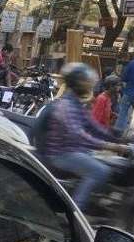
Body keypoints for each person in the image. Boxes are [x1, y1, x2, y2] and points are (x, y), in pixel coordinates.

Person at [41, 63, 128, 210]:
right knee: (100, 170)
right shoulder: (66, 106)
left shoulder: (76, 104)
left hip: (76, 150)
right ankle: (76, 211)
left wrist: (118, 138)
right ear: (77, 83)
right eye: (85, 82)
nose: (88, 86)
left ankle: (96, 202)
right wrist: (109, 145)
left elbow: (94, 127)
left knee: (113, 164)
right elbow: (78, 135)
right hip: (62, 154)